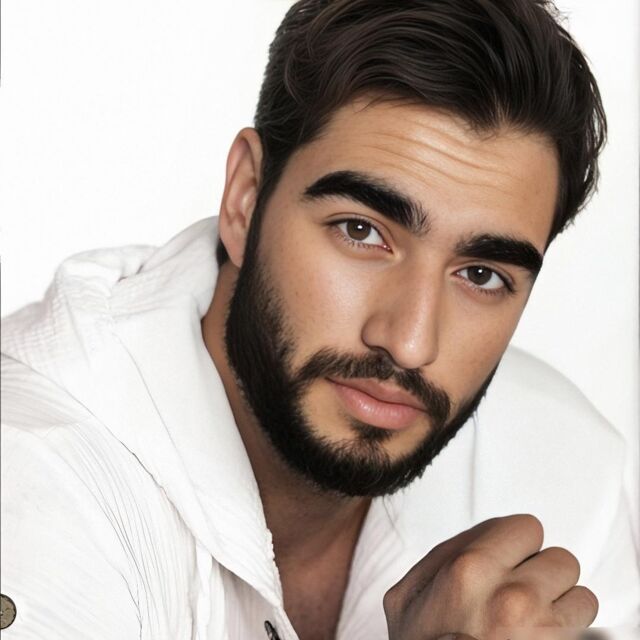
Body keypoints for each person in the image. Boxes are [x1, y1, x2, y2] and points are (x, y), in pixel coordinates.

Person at [1, 0, 638, 638]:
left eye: (481, 274)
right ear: (246, 199)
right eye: (361, 231)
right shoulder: (35, 484)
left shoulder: (567, 471)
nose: (410, 342)